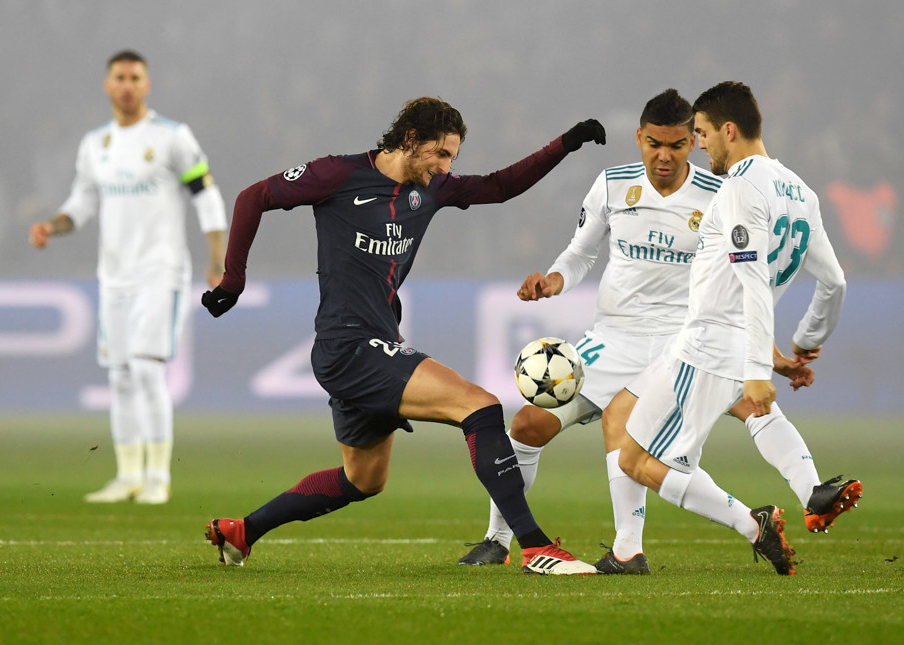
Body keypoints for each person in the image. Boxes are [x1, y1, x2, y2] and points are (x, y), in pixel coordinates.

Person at [201, 97, 607, 575]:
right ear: (410, 140)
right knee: (480, 406)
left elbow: (499, 186)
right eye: (439, 153)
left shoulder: (431, 189)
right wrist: (233, 280)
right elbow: (254, 197)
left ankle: (243, 531)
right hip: (348, 345)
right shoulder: (338, 175)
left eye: (452, 156)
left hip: (369, 344)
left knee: (364, 479)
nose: (444, 167)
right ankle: (535, 547)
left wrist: (565, 144)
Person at [457, 90, 855, 575]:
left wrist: (765, 355)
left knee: (721, 411)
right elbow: (581, 252)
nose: (663, 156)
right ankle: (498, 538)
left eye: (678, 145)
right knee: (526, 426)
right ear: (639, 138)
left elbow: (737, 280)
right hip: (615, 336)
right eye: (653, 144)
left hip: (682, 337)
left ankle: (633, 547)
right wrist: (555, 279)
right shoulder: (611, 185)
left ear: (692, 141)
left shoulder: (722, 191)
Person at [619, 81, 860, 576]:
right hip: (731, 339)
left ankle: (754, 524)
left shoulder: (739, 190)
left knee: (638, 461)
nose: (700, 144)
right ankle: (811, 490)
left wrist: (757, 367)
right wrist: (804, 342)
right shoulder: (802, 192)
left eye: (703, 133)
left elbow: (749, 278)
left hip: (708, 346)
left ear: (729, 130)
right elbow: (833, 281)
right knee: (751, 410)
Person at [29, 50, 228, 505]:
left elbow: (206, 194)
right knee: (119, 376)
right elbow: (81, 203)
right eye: (119, 77)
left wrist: (217, 256)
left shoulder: (172, 137)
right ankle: (127, 475)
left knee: (144, 368)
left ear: (147, 85)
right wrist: (53, 226)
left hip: (160, 271)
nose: (127, 85)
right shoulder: (95, 144)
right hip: (114, 275)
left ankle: (158, 476)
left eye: (135, 77)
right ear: (107, 85)